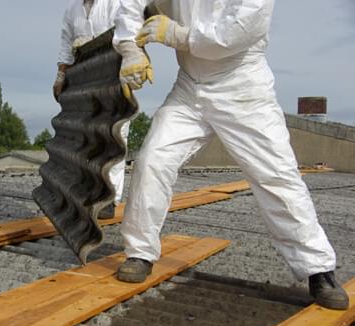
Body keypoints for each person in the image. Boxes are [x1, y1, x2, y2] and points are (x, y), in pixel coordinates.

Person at [112, 0, 349, 310]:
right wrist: (131, 48)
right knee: (152, 159)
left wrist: (178, 36)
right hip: (189, 87)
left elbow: (237, 30)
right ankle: (140, 252)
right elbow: (131, 3)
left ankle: (317, 268)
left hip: (242, 87)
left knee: (276, 176)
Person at [54, 0, 129, 218]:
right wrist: (61, 75)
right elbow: (66, 43)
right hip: (84, 75)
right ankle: (87, 192)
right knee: (87, 135)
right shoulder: (73, 10)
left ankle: (110, 199)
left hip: (115, 72)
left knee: (115, 135)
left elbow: (130, 32)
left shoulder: (116, 3)